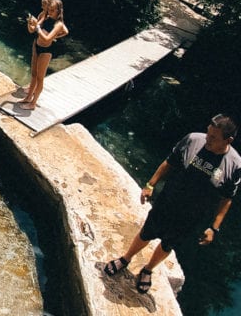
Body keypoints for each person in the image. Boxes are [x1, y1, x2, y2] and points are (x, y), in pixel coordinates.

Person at [103, 114, 241, 295]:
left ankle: (148, 270)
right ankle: (126, 259)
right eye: (208, 133)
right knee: (147, 233)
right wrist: (150, 185)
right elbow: (169, 163)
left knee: (168, 244)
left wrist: (214, 228)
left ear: (228, 140)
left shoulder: (234, 164)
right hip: (167, 201)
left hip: (192, 215)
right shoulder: (192, 140)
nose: (207, 138)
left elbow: (227, 198)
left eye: (213, 137)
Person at [19, 0, 68, 110]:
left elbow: (47, 38)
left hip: (46, 50)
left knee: (40, 78)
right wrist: (30, 23)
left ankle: (33, 103)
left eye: (52, 10)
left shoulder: (59, 24)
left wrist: (38, 28)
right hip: (37, 45)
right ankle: (28, 97)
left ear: (58, 11)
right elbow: (32, 30)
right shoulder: (45, 16)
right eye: (48, 9)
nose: (49, 12)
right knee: (34, 74)